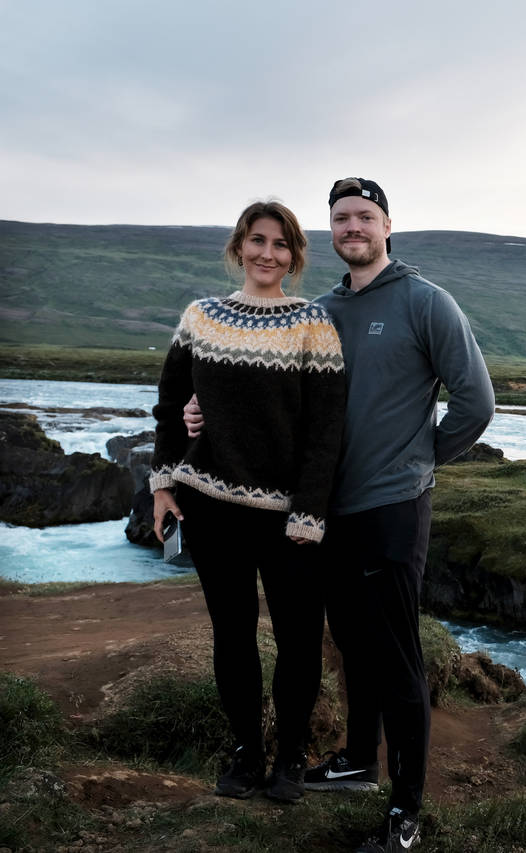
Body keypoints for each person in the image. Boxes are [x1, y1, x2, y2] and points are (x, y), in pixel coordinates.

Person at [185, 178, 494, 852]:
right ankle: (358, 757)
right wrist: (197, 414)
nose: (353, 227)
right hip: (322, 511)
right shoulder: (318, 312)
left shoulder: (425, 302)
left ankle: (406, 812)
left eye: (365, 216)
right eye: (341, 218)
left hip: (390, 508)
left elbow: (476, 401)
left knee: (397, 656)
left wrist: (417, 459)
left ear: (388, 225)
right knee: (351, 642)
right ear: (330, 231)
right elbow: (268, 401)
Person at [151, 200, 346, 804]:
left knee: (297, 638)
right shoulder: (201, 318)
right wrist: (161, 484)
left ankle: (290, 754)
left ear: (295, 255)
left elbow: (326, 430)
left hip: (289, 519)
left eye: (281, 244)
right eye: (257, 241)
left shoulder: (314, 324)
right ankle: (246, 752)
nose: (268, 253)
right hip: (210, 507)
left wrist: (310, 513)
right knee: (232, 637)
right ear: (239, 247)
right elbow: (170, 405)